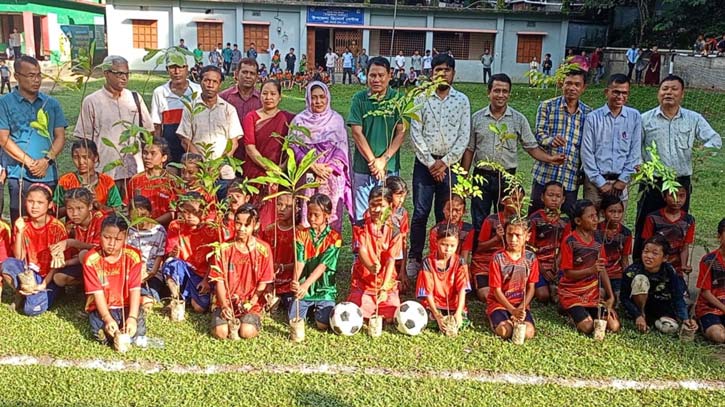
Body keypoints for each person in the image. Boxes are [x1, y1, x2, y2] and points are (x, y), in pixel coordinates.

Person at [462, 73, 564, 232]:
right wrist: (464, 178)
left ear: (509, 93)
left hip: (507, 177)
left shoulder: (518, 119)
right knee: (479, 219)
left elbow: (531, 147)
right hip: (481, 176)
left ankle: (500, 253)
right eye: (496, 91)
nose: (500, 95)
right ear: (488, 93)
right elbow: (469, 149)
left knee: (506, 220)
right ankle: (479, 254)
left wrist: (550, 158)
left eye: (505, 91)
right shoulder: (477, 119)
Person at [634, 75, 721, 259]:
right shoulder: (644, 119)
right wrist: (640, 166)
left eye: (674, 89)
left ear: (682, 94)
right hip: (653, 181)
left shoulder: (693, 119)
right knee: (645, 224)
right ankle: (640, 268)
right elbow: (635, 148)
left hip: (680, 181)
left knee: (677, 226)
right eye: (664, 88)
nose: (668, 93)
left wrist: (702, 151)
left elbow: (715, 139)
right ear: (658, 92)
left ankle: (674, 269)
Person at [407, 53, 470, 276]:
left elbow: (463, 137)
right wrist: (431, 163)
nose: (442, 74)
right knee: (421, 212)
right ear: (431, 73)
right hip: (425, 164)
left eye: (446, 70)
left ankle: (440, 257)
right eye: (437, 70)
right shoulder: (420, 98)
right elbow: (415, 133)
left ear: (453, 73)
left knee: (445, 214)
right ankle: (414, 257)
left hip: (450, 165)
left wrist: (444, 163)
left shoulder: (462, 100)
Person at [74, 55, 154, 197]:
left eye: (127, 74)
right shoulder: (92, 101)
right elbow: (84, 140)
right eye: (119, 74)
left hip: (135, 170)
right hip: (106, 170)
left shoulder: (135, 98)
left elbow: (148, 132)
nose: (124, 78)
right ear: (106, 74)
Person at [0, 56, 67, 224]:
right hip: (20, 174)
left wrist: (46, 160)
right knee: (21, 223)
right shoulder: (4, 103)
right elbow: (3, 139)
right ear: (17, 76)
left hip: (47, 173)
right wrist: (29, 163)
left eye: (39, 75)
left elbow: (60, 136)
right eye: (31, 75)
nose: (36, 80)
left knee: (47, 223)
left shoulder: (51, 103)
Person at [348, 57, 405, 221]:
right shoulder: (359, 99)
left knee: (388, 213)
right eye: (372, 75)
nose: (377, 79)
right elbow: (357, 132)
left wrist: (384, 159)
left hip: (390, 167)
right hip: (363, 167)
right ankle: (361, 247)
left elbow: (401, 132)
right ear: (367, 76)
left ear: (389, 75)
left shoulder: (397, 100)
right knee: (362, 214)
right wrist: (374, 162)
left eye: (381, 75)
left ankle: (386, 247)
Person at [290, 81, 352, 233]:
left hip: (330, 175)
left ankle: (328, 251)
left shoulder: (336, 120)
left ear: (327, 98)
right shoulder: (299, 121)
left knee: (330, 211)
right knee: (308, 211)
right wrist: (312, 165)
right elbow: (293, 147)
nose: (318, 101)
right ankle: (308, 251)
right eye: (314, 97)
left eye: (321, 97)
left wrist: (328, 167)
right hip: (308, 173)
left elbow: (342, 149)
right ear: (308, 99)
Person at [529, 69, 591, 218]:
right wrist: (551, 140)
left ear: (583, 88)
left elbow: (588, 146)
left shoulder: (588, 113)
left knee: (567, 220)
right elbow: (539, 134)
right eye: (568, 83)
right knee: (536, 218)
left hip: (570, 176)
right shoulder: (547, 106)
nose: (572, 88)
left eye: (577, 84)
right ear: (561, 84)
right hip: (545, 174)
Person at [1, 184, 67, 316]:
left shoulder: (57, 228)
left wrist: (43, 284)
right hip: (29, 275)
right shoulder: (23, 223)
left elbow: (58, 265)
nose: (34, 206)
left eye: (40, 202)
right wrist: (19, 232)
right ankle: (23, 292)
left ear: (49, 205)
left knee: (30, 309)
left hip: (48, 277)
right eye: (30, 201)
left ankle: (43, 293)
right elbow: (19, 258)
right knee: (7, 264)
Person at [209, 204, 273, 340]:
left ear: (256, 225)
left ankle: (253, 318)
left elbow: (263, 282)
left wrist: (252, 301)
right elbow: (218, 280)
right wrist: (225, 305)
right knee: (221, 333)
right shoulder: (223, 248)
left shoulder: (263, 249)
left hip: (250, 302)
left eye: (246, 225)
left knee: (247, 332)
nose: (241, 229)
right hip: (225, 300)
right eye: (238, 223)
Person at [177, 65, 242, 196]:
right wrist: (202, 165)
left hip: (223, 170)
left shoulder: (228, 109)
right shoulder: (191, 107)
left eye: (215, 82)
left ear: (220, 84)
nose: (210, 85)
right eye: (207, 80)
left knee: (224, 206)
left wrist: (218, 165)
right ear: (200, 82)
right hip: (198, 171)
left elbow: (233, 143)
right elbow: (185, 140)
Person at [83, 213, 146, 347]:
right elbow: (97, 293)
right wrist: (107, 318)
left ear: (125, 238)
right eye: (107, 237)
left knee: (137, 333)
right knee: (102, 336)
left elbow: (135, 289)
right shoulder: (91, 260)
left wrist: (132, 317)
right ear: (99, 235)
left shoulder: (133, 256)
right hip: (104, 306)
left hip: (126, 305)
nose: (111, 243)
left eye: (118, 239)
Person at [559, 199, 620, 336]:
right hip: (572, 293)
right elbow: (567, 273)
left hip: (592, 294)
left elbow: (602, 268)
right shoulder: (570, 241)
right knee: (587, 327)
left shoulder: (598, 240)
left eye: (596, 216)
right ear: (578, 221)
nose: (595, 220)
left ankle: (582, 311)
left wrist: (610, 296)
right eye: (590, 216)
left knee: (613, 326)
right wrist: (591, 270)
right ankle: (567, 310)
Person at [581, 74, 642, 209]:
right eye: (616, 92)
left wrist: (623, 180)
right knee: (591, 223)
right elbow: (587, 153)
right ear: (606, 92)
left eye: (624, 93)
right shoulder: (593, 118)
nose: (620, 96)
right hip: (594, 183)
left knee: (615, 225)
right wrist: (600, 182)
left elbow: (635, 151)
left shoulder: (634, 117)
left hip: (620, 182)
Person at [242, 80, 295, 225]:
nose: (268, 97)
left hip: (279, 175)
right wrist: (269, 168)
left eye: (273, 94)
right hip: (255, 173)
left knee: (274, 215)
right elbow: (250, 147)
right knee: (252, 215)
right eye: (265, 93)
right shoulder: (251, 117)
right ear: (260, 96)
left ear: (280, 97)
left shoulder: (288, 118)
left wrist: (280, 169)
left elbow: (292, 149)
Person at [620, 235, 695, 335]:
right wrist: (637, 315)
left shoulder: (669, 271)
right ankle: (642, 316)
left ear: (665, 258)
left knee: (670, 328)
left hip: (661, 307)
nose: (649, 256)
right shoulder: (632, 271)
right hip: (640, 306)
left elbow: (677, 297)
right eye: (646, 252)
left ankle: (651, 321)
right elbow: (624, 297)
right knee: (640, 280)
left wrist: (685, 318)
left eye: (655, 253)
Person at [348, 186, 402, 321]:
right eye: (373, 205)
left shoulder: (395, 231)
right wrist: (370, 266)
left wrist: (384, 288)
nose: (377, 210)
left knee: (392, 314)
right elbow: (361, 251)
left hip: (386, 282)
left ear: (390, 206)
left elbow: (391, 260)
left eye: (381, 206)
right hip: (364, 281)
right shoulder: (360, 227)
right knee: (358, 311)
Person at [289, 194, 342, 331]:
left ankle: (318, 310)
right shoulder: (302, 234)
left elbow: (323, 265)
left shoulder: (334, 238)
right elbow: (300, 260)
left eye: (316, 215)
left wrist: (305, 285)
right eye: (309, 214)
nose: (311, 218)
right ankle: (308, 307)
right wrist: (296, 282)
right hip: (304, 289)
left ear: (327, 215)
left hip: (324, 289)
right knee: (293, 319)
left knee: (323, 325)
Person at [161, 193, 217, 313]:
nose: (190, 216)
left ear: (203, 212)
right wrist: (173, 254)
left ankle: (191, 296)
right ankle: (175, 298)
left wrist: (206, 280)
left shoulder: (210, 230)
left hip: (202, 274)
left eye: (194, 211)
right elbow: (170, 255)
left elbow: (214, 259)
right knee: (171, 263)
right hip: (184, 269)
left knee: (199, 308)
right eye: (186, 211)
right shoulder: (176, 226)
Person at [487, 219, 539, 341]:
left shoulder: (531, 258)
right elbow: (496, 290)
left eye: (518, 235)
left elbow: (531, 288)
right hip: (499, 303)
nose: (513, 239)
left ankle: (513, 319)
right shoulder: (497, 258)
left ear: (527, 236)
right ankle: (493, 318)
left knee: (529, 332)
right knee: (505, 331)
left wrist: (521, 308)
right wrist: (512, 310)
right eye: (509, 234)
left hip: (520, 304)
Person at [470, 187, 524, 302]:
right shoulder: (491, 220)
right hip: (485, 264)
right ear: (503, 201)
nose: (517, 204)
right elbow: (479, 248)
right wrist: (496, 239)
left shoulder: (522, 222)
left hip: (507, 265)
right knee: (485, 295)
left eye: (520, 200)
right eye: (514, 199)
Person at [416, 223, 471, 334]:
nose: (448, 249)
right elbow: (427, 291)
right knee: (428, 319)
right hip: (434, 304)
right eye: (444, 244)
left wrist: (459, 312)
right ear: (436, 242)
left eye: (452, 246)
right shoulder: (428, 262)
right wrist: (437, 315)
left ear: (457, 245)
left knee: (461, 321)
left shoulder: (460, 261)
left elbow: (462, 288)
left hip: (454, 304)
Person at [150, 55, 201, 164]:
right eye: (172, 67)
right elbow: (157, 126)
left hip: (193, 148)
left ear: (187, 68)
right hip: (170, 149)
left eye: (181, 67)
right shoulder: (159, 92)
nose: (177, 71)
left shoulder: (197, 91)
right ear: (167, 69)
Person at [52, 188, 105, 289]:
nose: (74, 213)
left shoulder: (100, 220)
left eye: (79, 208)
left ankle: (101, 287)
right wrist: (65, 262)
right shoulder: (71, 226)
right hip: (82, 263)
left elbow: (100, 249)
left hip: (103, 263)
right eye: (70, 209)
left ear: (90, 206)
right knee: (58, 278)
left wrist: (73, 243)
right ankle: (83, 284)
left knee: (84, 254)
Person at [54, 140, 122, 217]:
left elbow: (118, 211)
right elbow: (55, 212)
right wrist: (75, 203)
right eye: (76, 157)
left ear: (96, 158)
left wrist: (98, 204)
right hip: (74, 226)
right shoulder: (66, 181)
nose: (81, 162)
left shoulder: (106, 181)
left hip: (102, 225)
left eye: (85, 157)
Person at [528, 181, 569, 304]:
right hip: (538, 264)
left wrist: (556, 264)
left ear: (563, 199)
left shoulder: (565, 220)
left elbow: (565, 246)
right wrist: (543, 270)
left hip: (557, 264)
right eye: (550, 195)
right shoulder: (534, 219)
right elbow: (529, 248)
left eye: (558, 196)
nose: (554, 199)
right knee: (543, 296)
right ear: (542, 197)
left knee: (561, 297)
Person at [640, 186, 695, 276]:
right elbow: (646, 244)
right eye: (672, 195)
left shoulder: (689, 220)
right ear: (664, 196)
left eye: (681, 196)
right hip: (655, 265)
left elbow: (685, 247)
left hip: (675, 268)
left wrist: (684, 265)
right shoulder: (652, 218)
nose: (677, 200)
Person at [126, 195, 168, 308]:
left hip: (151, 275)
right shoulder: (130, 230)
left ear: (150, 214)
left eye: (143, 216)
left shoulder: (159, 231)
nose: (140, 220)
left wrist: (144, 277)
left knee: (146, 302)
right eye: (135, 217)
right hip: (133, 273)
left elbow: (157, 264)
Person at [125, 137, 176, 227]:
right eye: (145, 153)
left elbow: (173, 213)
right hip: (138, 229)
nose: (148, 157)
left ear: (164, 158)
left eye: (153, 154)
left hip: (164, 230)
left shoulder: (171, 182)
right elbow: (127, 207)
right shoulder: (135, 180)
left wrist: (151, 223)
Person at [258, 193, 296, 311]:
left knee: (291, 305)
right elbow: (261, 258)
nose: (282, 209)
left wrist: (283, 267)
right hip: (270, 281)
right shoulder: (269, 230)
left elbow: (302, 262)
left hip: (289, 283)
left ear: (296, 208)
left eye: (288, 206)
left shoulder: (298, 233)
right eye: (279, 204)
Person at [219, 58, 261, 161]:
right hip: (228, 153)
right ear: (236, 74)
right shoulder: (223, 98)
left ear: (256, 77)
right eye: (244, 72)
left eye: (252, 73)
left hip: (255, 154)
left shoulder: (262, 100)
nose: (248, 76)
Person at [695, 218, 725, 344]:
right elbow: (705, 292)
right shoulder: (709, 260)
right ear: (719, 236)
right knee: (718, 335)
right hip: (710, 308)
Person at [597, 195, 632, 300]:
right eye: (612, 212)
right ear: (603, 213)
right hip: (598, 273)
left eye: (620, 212)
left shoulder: (626, 233)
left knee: (620, 296)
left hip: (616, 274)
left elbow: (625, 258)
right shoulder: (596, 230)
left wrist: (627, 278)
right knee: (600, 295)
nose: (616, 215)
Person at [427, 195, 474, 262]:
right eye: (449, 210)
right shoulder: (436, 230)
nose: (453, 214)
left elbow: (464, 257)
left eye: (458, 210)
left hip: (458, 266)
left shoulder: (468, 230)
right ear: (443, 209)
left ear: (463, 211)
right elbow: (435, 256)